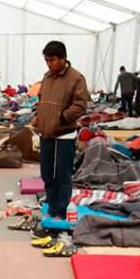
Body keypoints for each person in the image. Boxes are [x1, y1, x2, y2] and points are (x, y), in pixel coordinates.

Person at [34, 41, 89, 222]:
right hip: (46, 133)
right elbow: (42, 100)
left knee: (63, 176)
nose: (49, 64)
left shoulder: (76, 78)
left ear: (63, 58)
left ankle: (60, 210)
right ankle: (51, 204)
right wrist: (38, 117)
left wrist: (63, 117)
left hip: (64, 135)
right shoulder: (47, 77)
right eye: (47, 60)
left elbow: (81, 104)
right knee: (47, 173)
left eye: (53, 60)